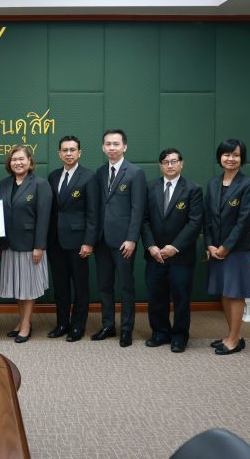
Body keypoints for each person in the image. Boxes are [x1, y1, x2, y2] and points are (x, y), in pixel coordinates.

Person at [141, 148, 203, 353]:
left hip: (181, 256)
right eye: (165, 162)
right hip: (155, 255)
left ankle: (179, 336)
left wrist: (174, 247)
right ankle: (160, 332)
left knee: (181, 297)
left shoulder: (193, 189)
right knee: (156, 296)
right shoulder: (150, 187)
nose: (170, 165)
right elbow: (144, 220)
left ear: (181, 164)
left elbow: (195, 223)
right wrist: (151, 246)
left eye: (174, 161)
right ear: (160, 165)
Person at [92, 129, 146, 347]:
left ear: (124, 147)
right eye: (108, 144)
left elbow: (138, 209)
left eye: (116, 144)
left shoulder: (135, 172)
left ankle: (126, 329)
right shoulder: (100, 172)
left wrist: (132, 238)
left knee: (125, 286)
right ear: (103, 147)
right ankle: (108, 325)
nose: (111, 148)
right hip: (102, 240)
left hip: (124, 241)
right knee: (104, 285)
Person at [204, 139, 250, 355]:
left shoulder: (248, 184)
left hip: (236, 249)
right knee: (225, 293)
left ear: (241, 158)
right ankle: (232, 334)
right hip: (215, 249)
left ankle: (234, 340)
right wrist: (209, 244)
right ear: (220, 157)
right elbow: (207, 218)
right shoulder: (213, 184)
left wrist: (226, 246)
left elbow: (244, 220)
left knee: (235, 293)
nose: (231, 159)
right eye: (226, 154)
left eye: (235, 155)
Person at [0, 145, 52, 343]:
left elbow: (44, 218)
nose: (18, 163)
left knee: (28, 288)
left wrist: (39, 246)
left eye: (21, 159)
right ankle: (21, 321)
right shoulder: (3, 184)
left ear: (30, 161)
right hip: (10, 245)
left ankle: (27, 325)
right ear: (9, 163)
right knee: (18, 287)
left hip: (30, 245)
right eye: (14, 159)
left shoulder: (40, 184)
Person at [47, 136, 98, 342]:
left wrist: (89, 242)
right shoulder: (52, 176)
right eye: (65, 150)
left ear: (79, 153)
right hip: (55, 241)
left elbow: (93, 213)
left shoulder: (89, 177)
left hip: (79, 242)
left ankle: (78, 326)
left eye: (73, 150)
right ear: (59, 153)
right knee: (60, 286)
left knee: (80, 286)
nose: (69, 153)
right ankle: (62, 323)